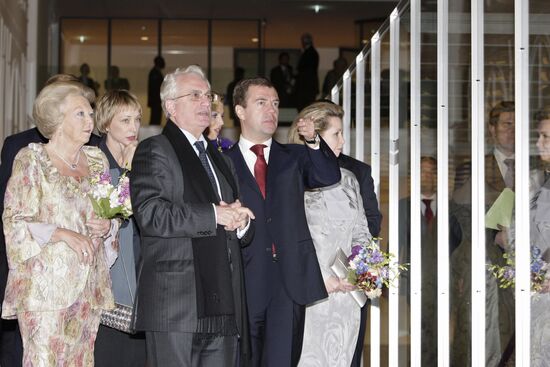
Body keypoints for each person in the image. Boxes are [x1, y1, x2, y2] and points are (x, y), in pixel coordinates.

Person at [130, 65, 255, 367]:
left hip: (223, 305)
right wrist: (215, 215)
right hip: (177, 304)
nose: (206, 102)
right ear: (171, 106)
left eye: (208, 95)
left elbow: (233, 217)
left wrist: (241, 224)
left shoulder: (220, 158)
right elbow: (151, 215)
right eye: (195, 95)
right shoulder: (154, 150)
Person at [225, 77, 341, 366]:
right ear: (240, 111)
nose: (271, 110)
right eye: (261, 103)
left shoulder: (296, 157)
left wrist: (314, 140)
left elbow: (328, 175)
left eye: (275, 104)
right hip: (242, 280)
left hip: (288, 283)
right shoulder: (222, 161)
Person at [2, 80, 119, 365]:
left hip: (88, 289)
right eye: (80, 113)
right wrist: (62, 233)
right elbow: (14, 221)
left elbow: (110, 212)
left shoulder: (97, 161)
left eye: (91, 113)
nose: (89, 119)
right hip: (44, 291)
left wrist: (108, 226)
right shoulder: (31, 159)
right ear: (56, 118)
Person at [287, 101, 371, 366]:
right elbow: (285, 239)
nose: (343, 141)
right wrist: (318, 280)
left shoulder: (349, 179)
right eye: (336, 134)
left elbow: (362, 231)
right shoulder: (290, 176)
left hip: (346, 296)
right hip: (311, 296)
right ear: (313, 135)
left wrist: (360, 271)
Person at [451, 101, 516, 366]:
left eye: (516, 125)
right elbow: (458, 223)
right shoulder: (472, 168)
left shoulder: (537, 167)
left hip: (528, 266)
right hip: (485, 266)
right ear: (492, 129)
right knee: (484, 335)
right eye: (506, 124)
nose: (512, 130)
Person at [93, 90, 146, 366]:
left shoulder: (142, 158)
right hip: (108, 279)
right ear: (105, 123)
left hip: (139, 272)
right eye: (124, 120)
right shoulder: (94, 161)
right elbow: (111, 213)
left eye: (136, 120)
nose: (133, 127)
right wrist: (126, 172)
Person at [294, 33, 319, 111]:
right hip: (308, 86)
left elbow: (307, 71)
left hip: (306, 86)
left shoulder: (309, 53)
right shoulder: (311, 52)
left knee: (305, 107)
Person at [147, 56, 165, 125]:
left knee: (156, 118)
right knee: (155, 119)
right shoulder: (154, 73)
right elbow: (154, 88)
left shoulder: (155, 72)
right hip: (156, 101)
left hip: (156, 101)